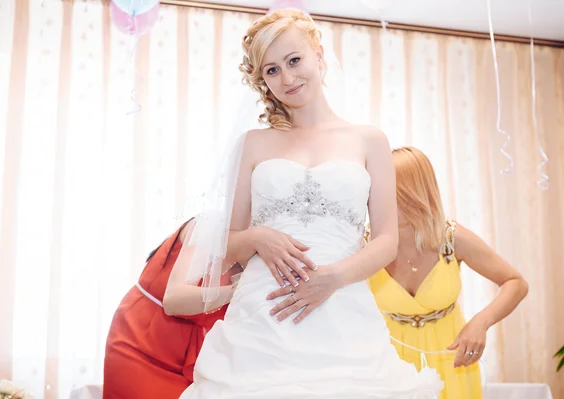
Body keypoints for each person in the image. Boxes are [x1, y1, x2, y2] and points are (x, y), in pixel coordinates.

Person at [163, 9, 443, 398]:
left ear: (319, 55)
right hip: (264, 313)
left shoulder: (369, 140)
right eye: (271, 70)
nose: (287, 78)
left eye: (294, 60)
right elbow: (225, 242)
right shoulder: (253, 144)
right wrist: (259, 236)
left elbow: (385, 241)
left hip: (343, 311)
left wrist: (334, 278)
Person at [367, 146, 529, 399]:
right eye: (375, 191)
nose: (377, 201)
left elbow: (515, 282)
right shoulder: (364, 244)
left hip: (451, 360)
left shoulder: (452, 238)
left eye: (390, 192)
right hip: (388, 361)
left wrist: (480, 324)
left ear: (415, 192)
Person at [102, 218, 240, 399]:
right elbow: (173, 298)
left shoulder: (258, 249)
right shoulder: (209, 225)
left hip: (189, 356)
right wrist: (235, 292)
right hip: (142, 340)